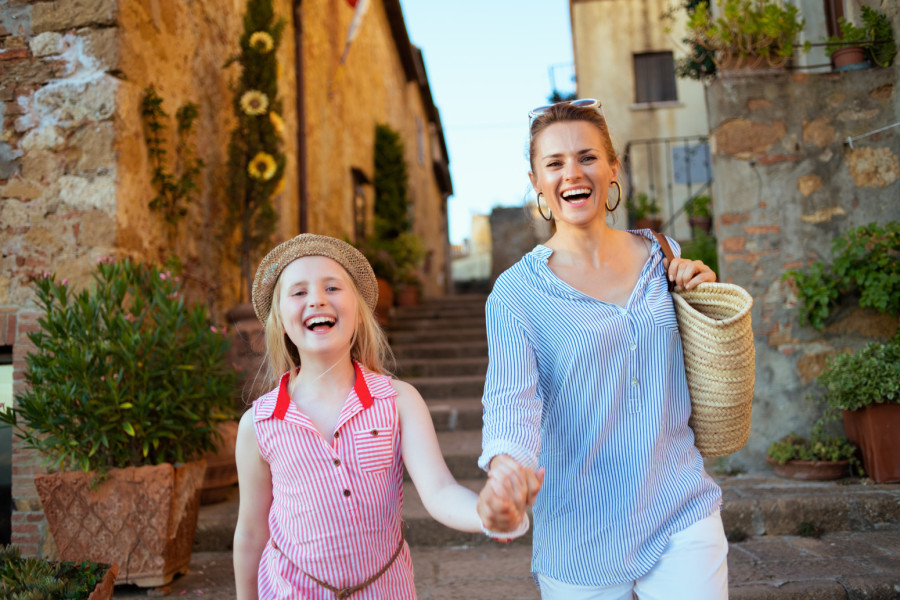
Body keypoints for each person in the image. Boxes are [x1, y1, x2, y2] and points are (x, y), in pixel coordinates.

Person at [475, 100, 727, 599]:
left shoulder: (665, 255)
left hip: (679, 506)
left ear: (614, 168)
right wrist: (507, 468)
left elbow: (702, 352)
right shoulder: (515, 294)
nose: (573, 172)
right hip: (579, 530)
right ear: (536, 180)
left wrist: (706, 292)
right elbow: (511, 398)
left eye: (588, 157)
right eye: (555, 163)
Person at [233, 234, 540, 600]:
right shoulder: (259, 424)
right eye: (298, 293)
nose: (316, 299)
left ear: (359, 312)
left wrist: (485, 514)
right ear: (280, 321)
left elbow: (440, 491)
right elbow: (251, 533)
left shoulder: (398, 400)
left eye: (332, 287)